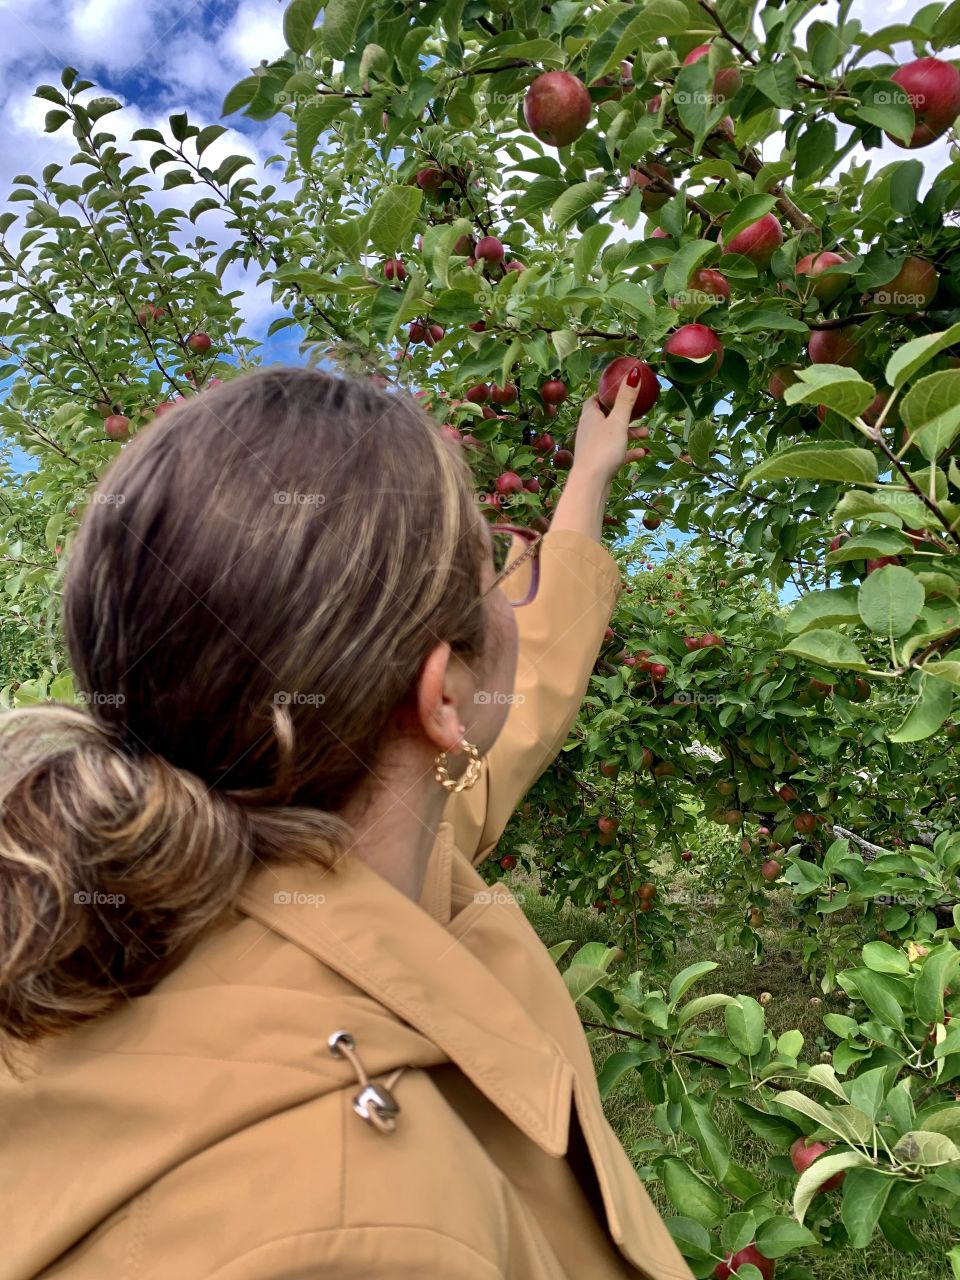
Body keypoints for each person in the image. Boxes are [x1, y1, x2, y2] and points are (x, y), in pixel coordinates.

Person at [0, 366, 692, 1280]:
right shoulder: (364, 1228)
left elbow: (520, 700)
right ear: (442, 695)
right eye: (497, 567)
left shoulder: (221, 864)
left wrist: (589, 473)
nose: (514, 592)